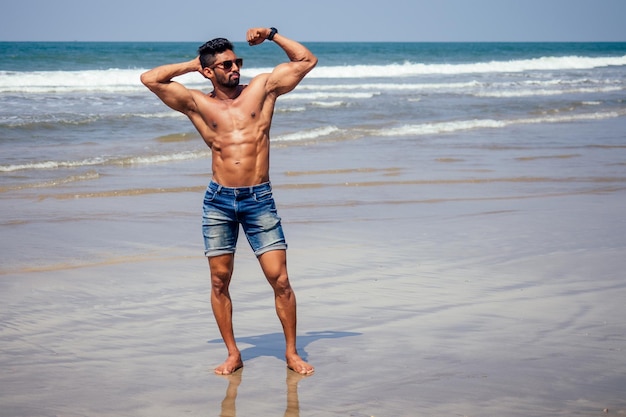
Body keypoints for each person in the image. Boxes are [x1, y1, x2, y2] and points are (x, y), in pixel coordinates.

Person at [140, 27, 317, 375]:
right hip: (218, 202)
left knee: (280, 280)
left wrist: (272, 35)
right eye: (225, 65)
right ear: (209, 72)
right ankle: (233, 353)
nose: (235, 68)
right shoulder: (197, 103)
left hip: (259, 199)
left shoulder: (263, 89)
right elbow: (151, 79)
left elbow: (305, 60)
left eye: (237, 62)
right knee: (219, 281)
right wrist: (194, 64)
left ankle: (292, 353)